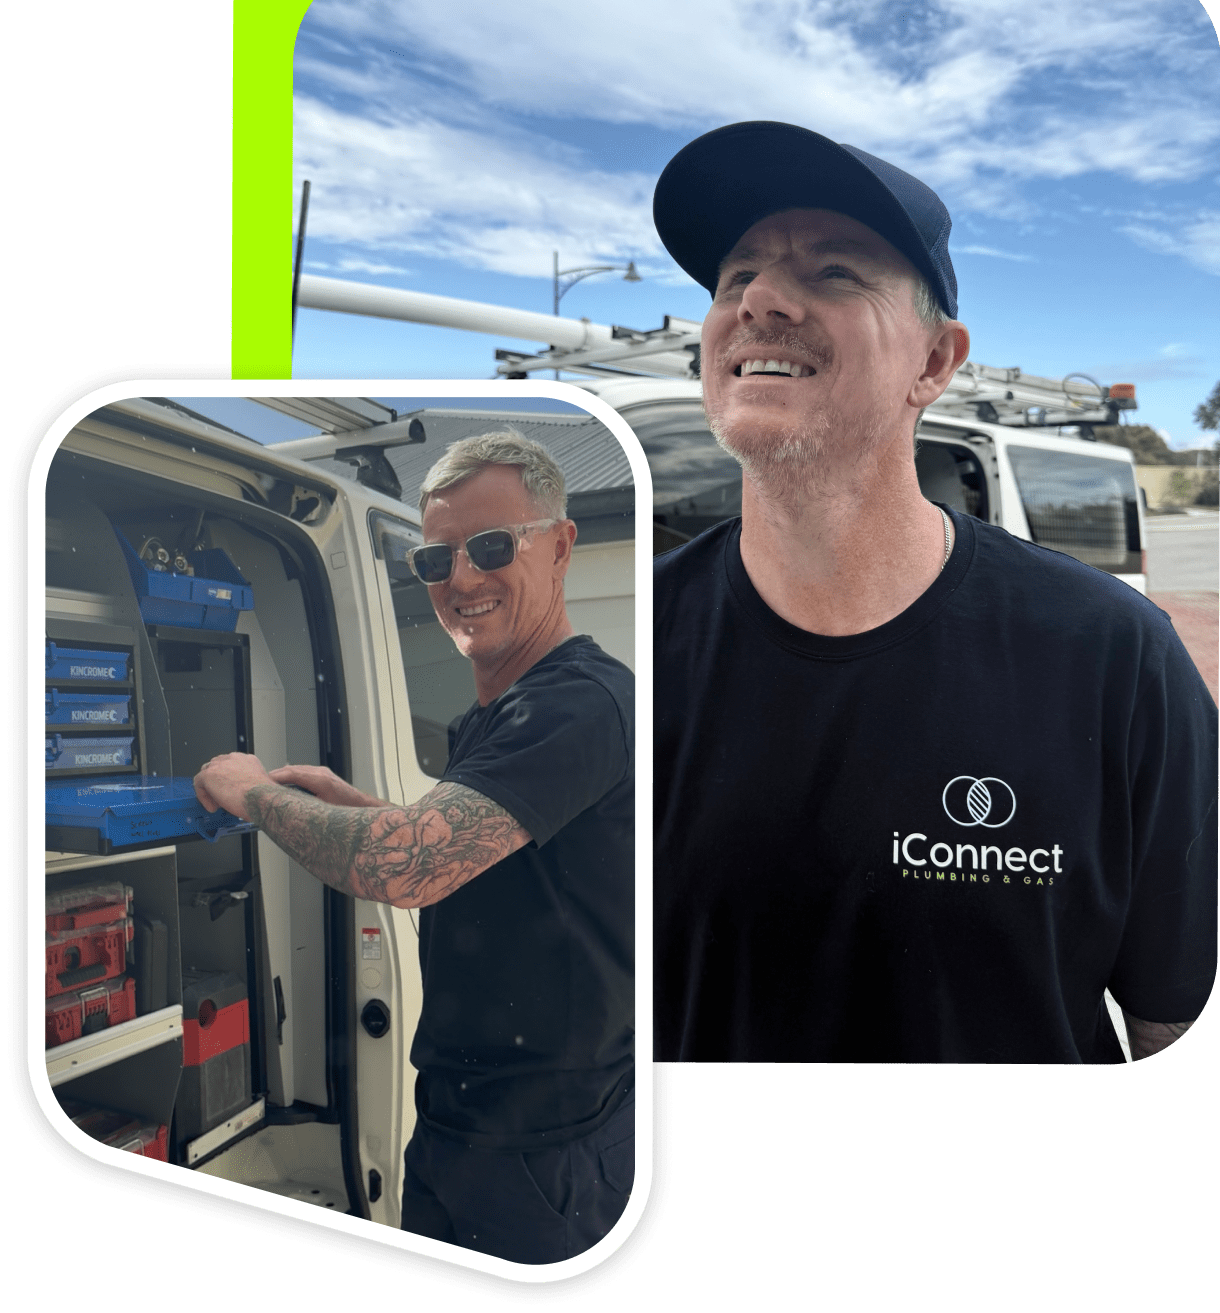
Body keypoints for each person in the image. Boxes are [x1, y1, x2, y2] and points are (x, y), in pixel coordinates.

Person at [650, 120, 1217, 1064]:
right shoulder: (629, 652)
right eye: (734, 275)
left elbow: (1174, 1024)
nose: (760, 300)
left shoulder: (1116, 657)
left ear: (934, 363)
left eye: (834, 272)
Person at [195, 431, 634, 1262]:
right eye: (435, 561)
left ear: (561, 546)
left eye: (492, 547)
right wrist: (357, 805)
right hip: (469, 1130)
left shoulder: (576, 705)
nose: (461, 579)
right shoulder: (502, 716)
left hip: (546, 1159)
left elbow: (408, 864)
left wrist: (243, 787)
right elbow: (486, 855)